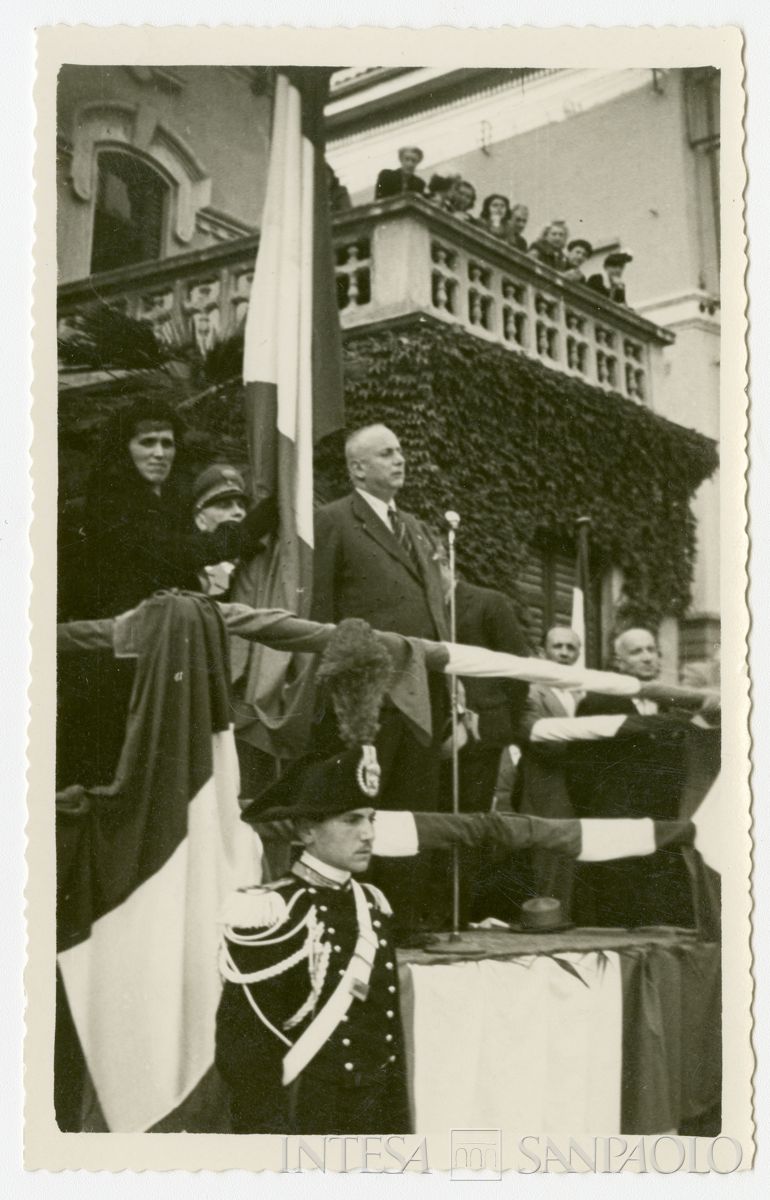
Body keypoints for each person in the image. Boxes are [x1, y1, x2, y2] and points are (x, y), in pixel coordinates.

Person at [215, 748, 410, 1135]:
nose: (368, 834)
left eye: (370, 819)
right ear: (307, 831)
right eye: (351, 820)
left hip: (372, 1120)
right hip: (306, 1119)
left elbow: (388, 1043)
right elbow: (247, 1052)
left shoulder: (371, 905)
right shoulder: (272, 913)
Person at [311, 423, 450, 935]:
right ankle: (358, 923)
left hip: (422, 691)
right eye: (387, 453)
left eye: (400, 451)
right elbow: (319, 608)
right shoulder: (333, 521)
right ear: (357, 467)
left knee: (413, 808)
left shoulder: (414, 528)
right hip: (366, 697)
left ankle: (405, 920)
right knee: (361, 807)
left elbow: (434, 611)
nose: (400, 459)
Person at [568, 627, 697, 927]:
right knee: (618, 900)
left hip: (665, 815)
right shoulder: (597, 703)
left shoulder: (675, 703)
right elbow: (580, 767)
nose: (647, 657)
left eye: (651, 650)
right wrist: (599, 809)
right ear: (619, 661)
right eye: (637, 651)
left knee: (663, 904)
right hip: (617, 813)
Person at [513, 626, 584, 914]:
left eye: (571, 647)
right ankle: (548, 919)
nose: (564, 653)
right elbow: (537, 735)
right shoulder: (531, 693)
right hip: (547, 787)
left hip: (581, 788)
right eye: (558, 646)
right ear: (544, 652)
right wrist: (588, 749)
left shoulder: (584, 693)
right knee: (549, 858)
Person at [191, 463, 250, 597]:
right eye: (224, 505)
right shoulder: (192, 572)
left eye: (241, 505)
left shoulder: (257, 561)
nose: (238, 512)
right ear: (201, 521)